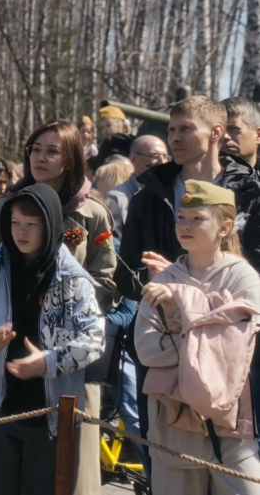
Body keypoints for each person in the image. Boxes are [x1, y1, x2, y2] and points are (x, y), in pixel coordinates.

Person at [116, 96, 260, 489]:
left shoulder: (252, 193)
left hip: (239, 373)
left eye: (185, 129)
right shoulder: (149, 197)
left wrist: (187, 289)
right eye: (171, 129)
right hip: (166, 371)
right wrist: (155, 280)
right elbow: (125, 277)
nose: (174, 137)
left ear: (215, 133)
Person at [0, 119, 117, 495]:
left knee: (65, 476)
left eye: (52, 151)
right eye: (35, 149)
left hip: (67, 361)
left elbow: (109, 279)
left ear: (71, 159)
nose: (41, 157)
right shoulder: (5, 208)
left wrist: (67, 303)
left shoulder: (92, 213)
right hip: (5, 359)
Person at [0, 184, 104, 495]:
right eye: (16, 222)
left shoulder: (72, 278)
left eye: (31, 224)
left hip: (50, 413)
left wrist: (47, 363)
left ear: (50, 225)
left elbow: (95, 339)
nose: (21, 231)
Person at [135, 181, 260, 494]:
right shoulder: (164, 278)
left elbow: (238, 341)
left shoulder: (242, 276)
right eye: (181, 218)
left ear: (224, 228)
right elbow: (147, 348)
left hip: (232, 426)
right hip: (172, 429)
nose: (185, 226)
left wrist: (180, 305)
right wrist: (209, 326)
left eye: (197, 219)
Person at [106, 135, 169, 232]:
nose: (163, 162)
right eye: (155, 156)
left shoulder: (172, 195)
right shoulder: (116, 199)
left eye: (165, 157)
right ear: (134, 159)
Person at [221, 97, 260, 169]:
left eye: (233, 129)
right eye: (220, 131)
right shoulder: (202, 176)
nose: (225, 136)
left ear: (258, 135)